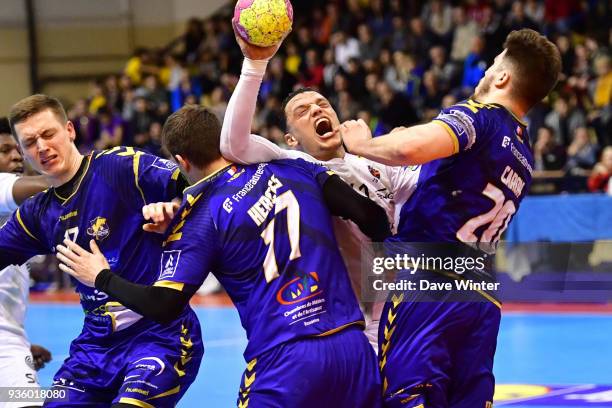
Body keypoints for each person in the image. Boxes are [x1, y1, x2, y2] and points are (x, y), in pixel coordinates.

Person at [55, 105, 389, 407]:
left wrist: (101, 276)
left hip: (284, 360)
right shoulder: (295, 168)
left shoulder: (199, 217)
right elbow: (373, 220)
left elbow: (163, 305)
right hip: (352, 347)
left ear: (181, 162)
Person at [341, 28, 562, 407]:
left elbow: (409, 148)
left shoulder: (481, 117)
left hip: (431, 280)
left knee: (408, 396)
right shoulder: (525, 153)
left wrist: (360, 143)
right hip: (482, 295)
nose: (485, 73)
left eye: (491, 66)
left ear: (502, 78)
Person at [220, 28, 420, 349]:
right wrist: (255, 65)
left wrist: (376, 147)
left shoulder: (375, 160)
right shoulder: (294, 164)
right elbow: (233, 144)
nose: (316, 110)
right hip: (353, 323)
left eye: (323, 104)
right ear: (291, 139)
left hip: (407, 307)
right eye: (303, 111)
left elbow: (429, 189)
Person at [0, 95, 203, 407]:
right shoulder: (36, 213)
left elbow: (198, 180)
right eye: (30, 142)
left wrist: (174, 208)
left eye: (48, 134)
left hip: (159, 336)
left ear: (69, 130)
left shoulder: (121, 167)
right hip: (94, 350)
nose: (41, 147)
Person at [0, 117, 51, 408]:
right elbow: (45, 185)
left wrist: (22, 344)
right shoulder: (5, 187)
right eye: (5, 150)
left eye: (17, 149)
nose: (17, 155)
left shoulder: (16, 216)